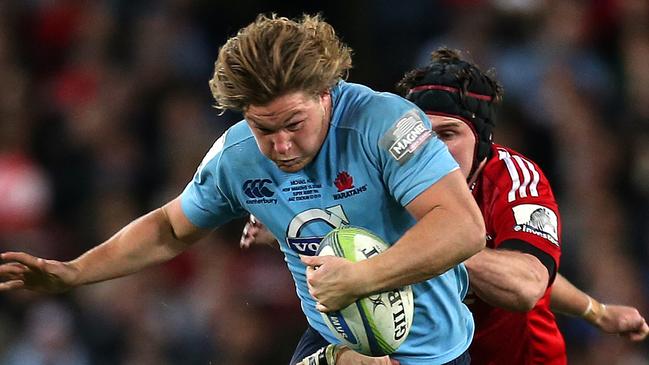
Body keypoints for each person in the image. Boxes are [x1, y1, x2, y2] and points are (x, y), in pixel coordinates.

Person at [0, 15, 486, 365]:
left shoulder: (384, 125)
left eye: (294, 123)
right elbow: (170, 227)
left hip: (436, 352)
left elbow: (463, 228)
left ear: (325, 93)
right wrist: (74, 272)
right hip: (330, 342)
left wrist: (366, 277)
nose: (279, 145)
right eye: (261, 127)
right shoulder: (238, 156)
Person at [241, 47, 649, 364]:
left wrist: (437, 242)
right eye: (418, 132)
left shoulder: (513, 180)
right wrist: (288, 225)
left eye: (448, 133)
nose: (426, 148)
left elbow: (528, 282)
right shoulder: (387, 173)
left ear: (484, 141)